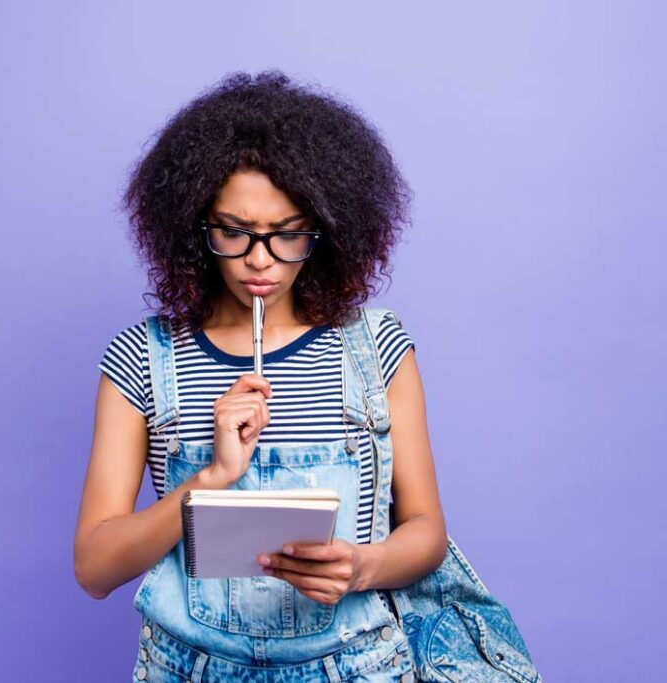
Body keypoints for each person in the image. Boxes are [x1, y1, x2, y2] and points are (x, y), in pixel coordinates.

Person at [74, 70, 447, 682]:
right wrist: (214, 478)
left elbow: (427, 529)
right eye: (234, 231)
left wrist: (361, 567)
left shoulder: (376, 349)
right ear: (194, 227)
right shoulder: (142, 358)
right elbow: (94, 568)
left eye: (287, 235)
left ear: (325, 231)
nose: (259, 260)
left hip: (358, 668)